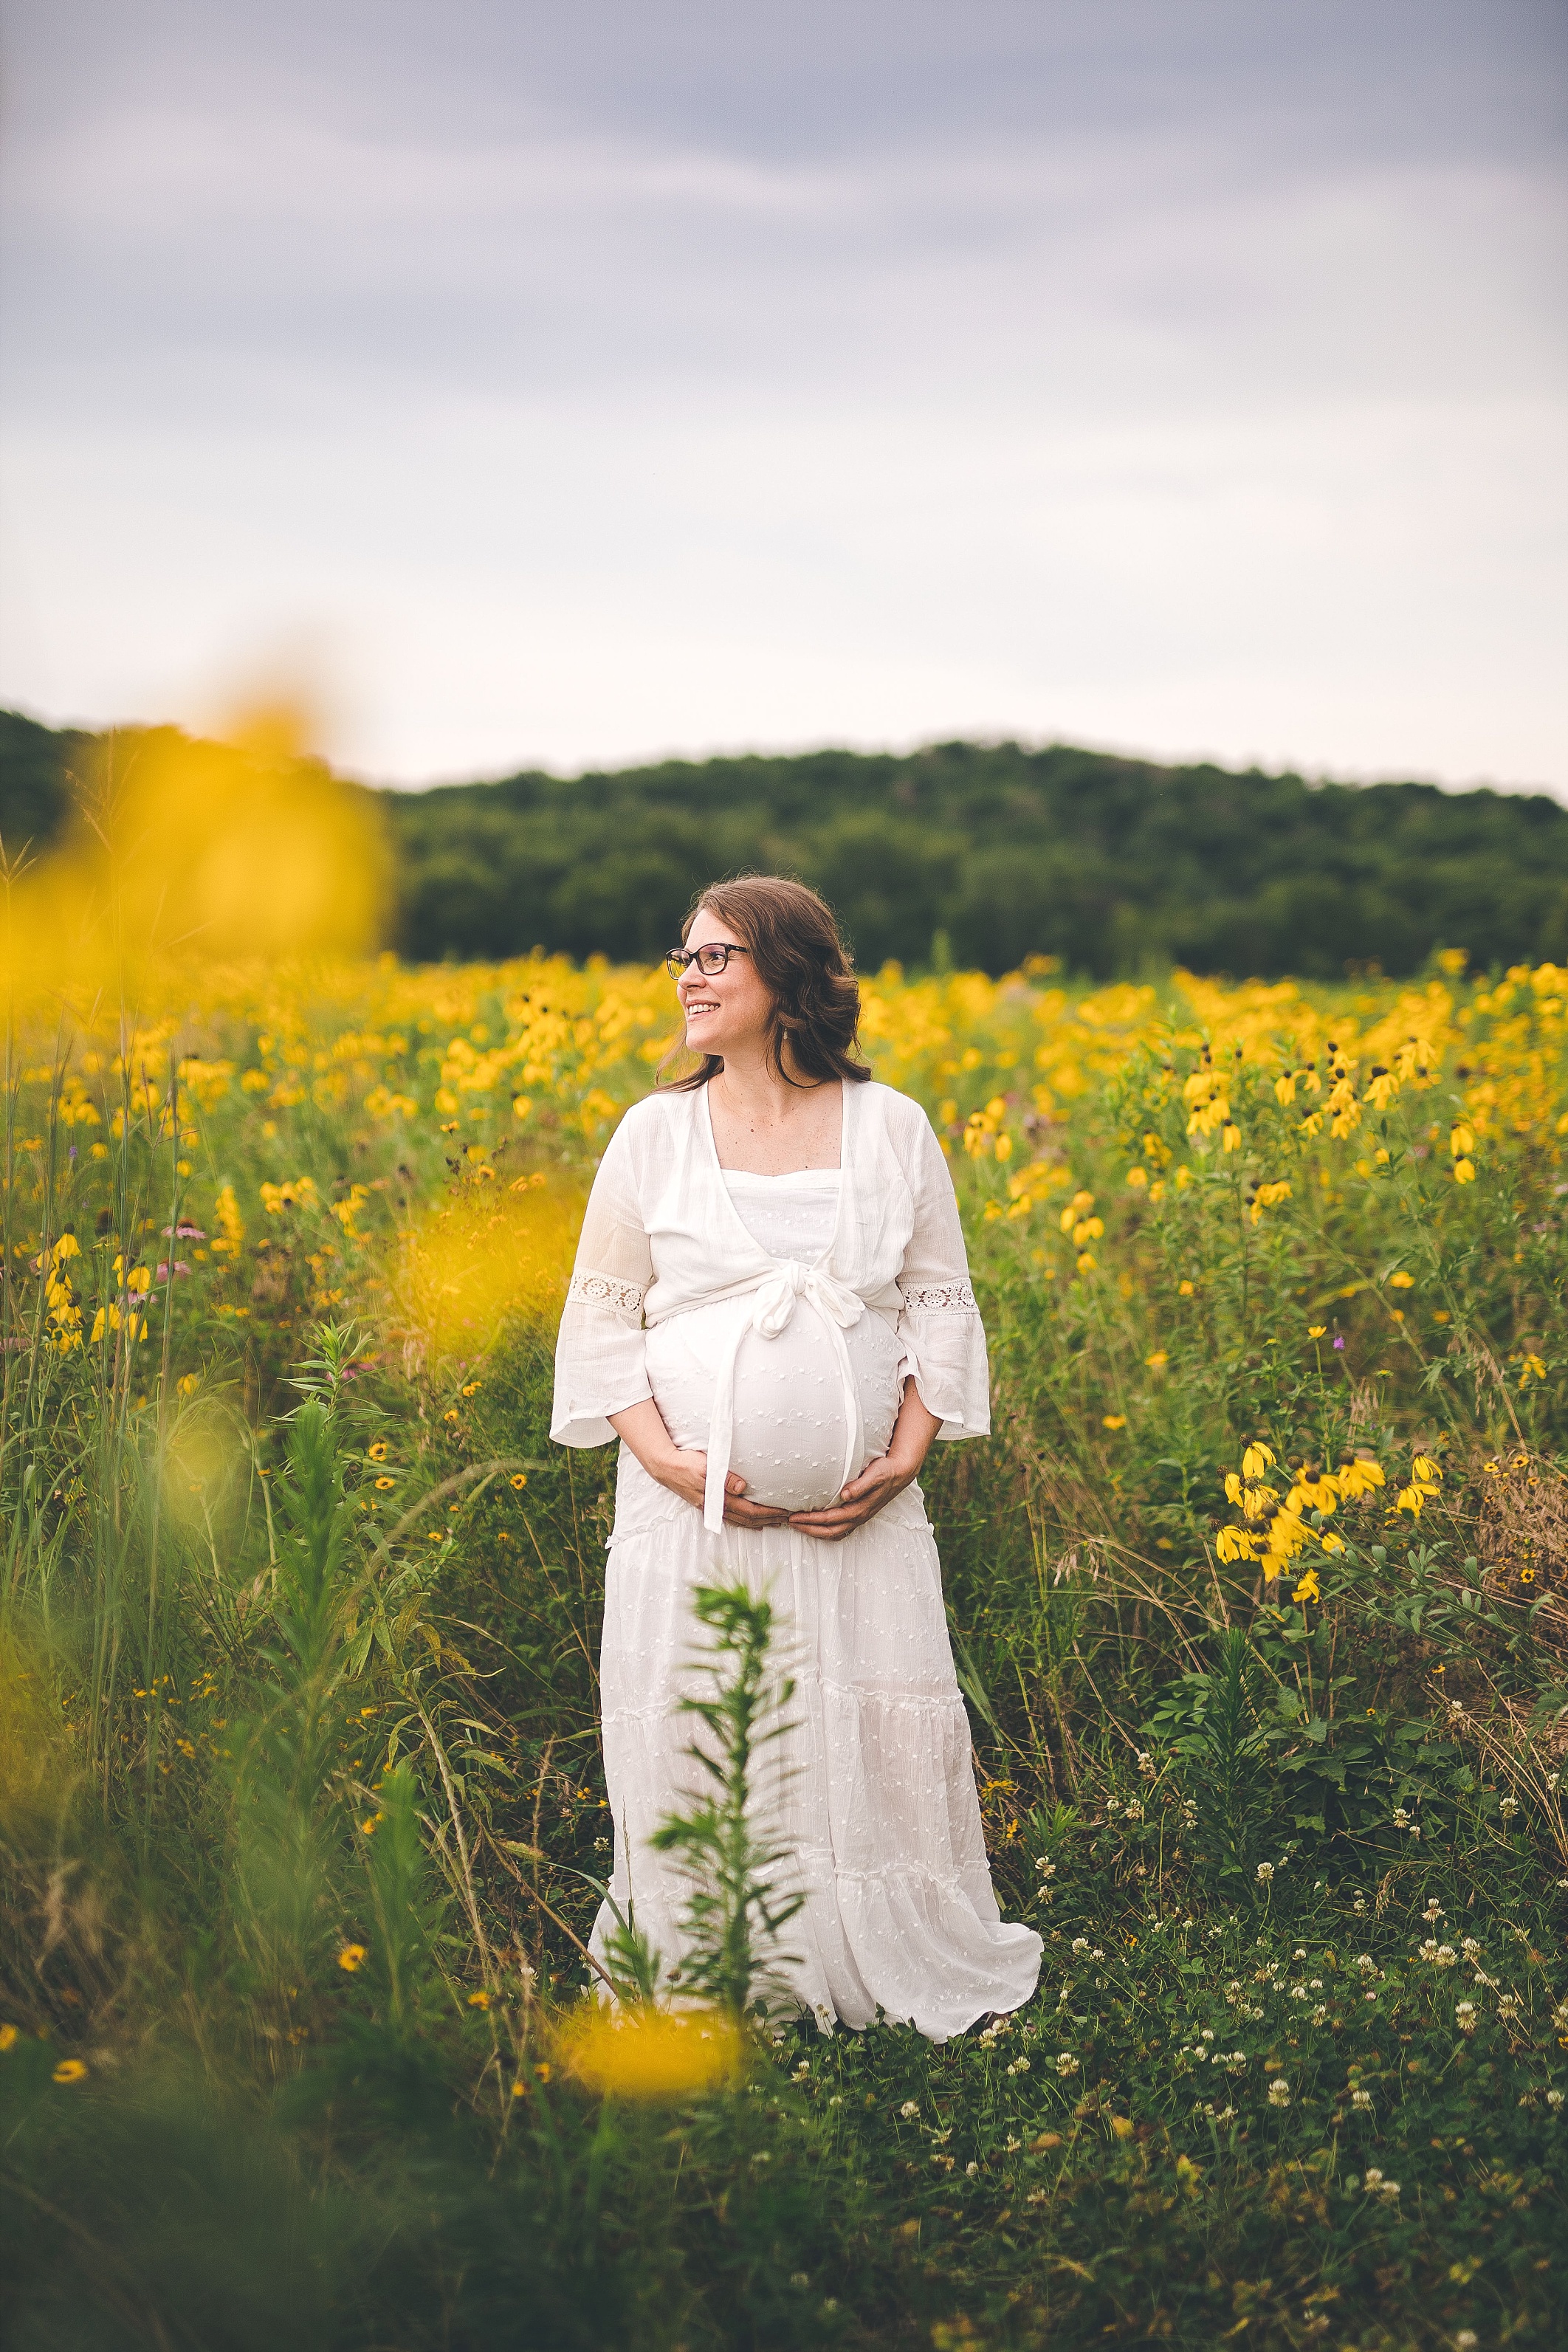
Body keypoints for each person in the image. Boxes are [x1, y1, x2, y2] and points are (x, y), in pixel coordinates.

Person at [551, 876, 1041, 2038]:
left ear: (788, 973)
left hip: (858, 1522)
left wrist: (905, 1455)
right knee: (710, 1714)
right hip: (692, 1514)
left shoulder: (893, 1126)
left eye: (717, 956)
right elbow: (602, 1315)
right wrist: (676, 1464)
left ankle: (874, 1945)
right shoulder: (654, 1133)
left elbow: (937, 1299)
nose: (689, 975)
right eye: (684, 956)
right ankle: (723, 1957)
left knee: (861, 1724)